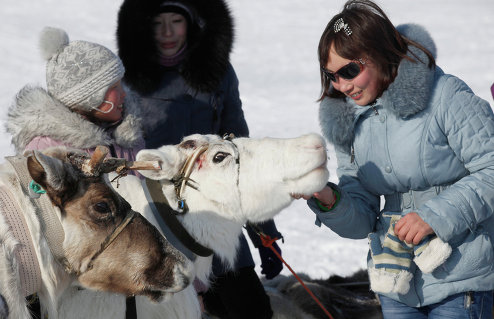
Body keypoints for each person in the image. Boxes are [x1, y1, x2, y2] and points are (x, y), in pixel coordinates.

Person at [297, 1, 494, 318]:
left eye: (350, 71)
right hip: (396, 284)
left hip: (461, 279)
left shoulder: (445, 96)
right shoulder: (347, 119)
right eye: (331, 75)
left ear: (378, 54)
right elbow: (362, 217)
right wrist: (328, 198)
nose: (342, 85)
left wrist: (436, 216)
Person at [116, 0, 283, 318]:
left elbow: (240, 155)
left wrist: (264, 232)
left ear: (191, 23)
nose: (167, 32)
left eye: (176, 21)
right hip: (152, 222)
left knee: (251, 310)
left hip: (214, 216)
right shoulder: (126, 80)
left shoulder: (217, 74)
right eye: (157, 22)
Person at [6, 26, 144, 161]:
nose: (124, 94)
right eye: (115, 87)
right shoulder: (47, 152)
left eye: (121, 84)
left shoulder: (128, 136)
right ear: (89, 98)